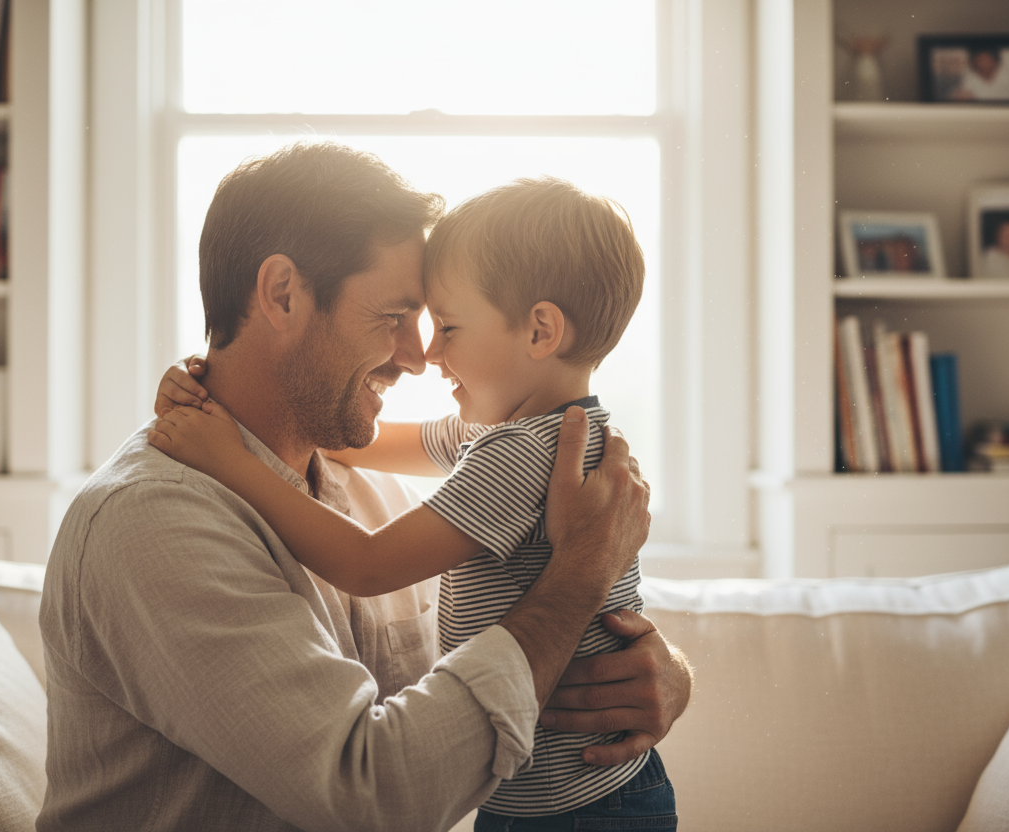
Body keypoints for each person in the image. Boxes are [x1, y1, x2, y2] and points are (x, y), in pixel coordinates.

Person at [39, 142, 691, 832]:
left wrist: (659, 670)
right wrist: (581, 579)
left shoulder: (377, 479)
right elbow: (374, 794)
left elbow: (471, 661)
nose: (419, 357)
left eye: (438, 323)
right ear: (283, 294)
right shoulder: (154, 523)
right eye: (393, 317)